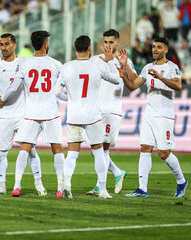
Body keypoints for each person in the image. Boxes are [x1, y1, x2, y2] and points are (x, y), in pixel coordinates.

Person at [0, 31, 64, 198]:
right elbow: (64, 88)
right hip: (50, 113)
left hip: (31, 113)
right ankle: (61, 188)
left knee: (24, 149)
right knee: (57, 149)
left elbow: (13, 87)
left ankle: (16, 186)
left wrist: (2, 99)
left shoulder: (25, 64)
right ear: (45, 44)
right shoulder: (56, 64)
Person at [55, 35, 122, 199]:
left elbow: (56, 92)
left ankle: (67, 184)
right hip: (92, 116)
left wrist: (70, 100)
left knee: (72, 153)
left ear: (75, 49)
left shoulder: (67, 67)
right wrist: (111, 60)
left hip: (74, 115)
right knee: (99, 152)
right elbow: (116, 79)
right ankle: (103, 190)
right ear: (90, 48)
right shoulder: (96, 66)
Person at [119, 37, 188, 198]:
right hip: (149, 114)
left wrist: (160, 78)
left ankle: (181, 181)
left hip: (164, 115)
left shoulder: (172, 67)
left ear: (166, 49)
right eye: (153, 47)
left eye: (159, 47)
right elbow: (133, 85)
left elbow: (178, 85)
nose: (155, 49)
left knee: (163, 153)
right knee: (145, 148)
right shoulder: (147, 67)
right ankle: (142, 189)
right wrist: (125, 72)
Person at [0, 33, 46, 196]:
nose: (4, 47)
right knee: (0, 152)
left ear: (14, 46)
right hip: (4, 115)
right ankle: (1, 186)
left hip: (24, 114)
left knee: (30, 150)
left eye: (7, 44)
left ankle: (39, 184)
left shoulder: (24, 63)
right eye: (1, 44)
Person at [86, 29, 136, 196]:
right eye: (106, 42)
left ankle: (101, 185)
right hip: (96, 110)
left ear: (117, 43)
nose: (108, 45)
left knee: (102, 148)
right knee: (95, 149)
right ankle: (116, 173)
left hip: (112, 110)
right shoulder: (95, 59)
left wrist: (125, 65)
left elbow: (134, 80)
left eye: (111, 42)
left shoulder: (123, 60)